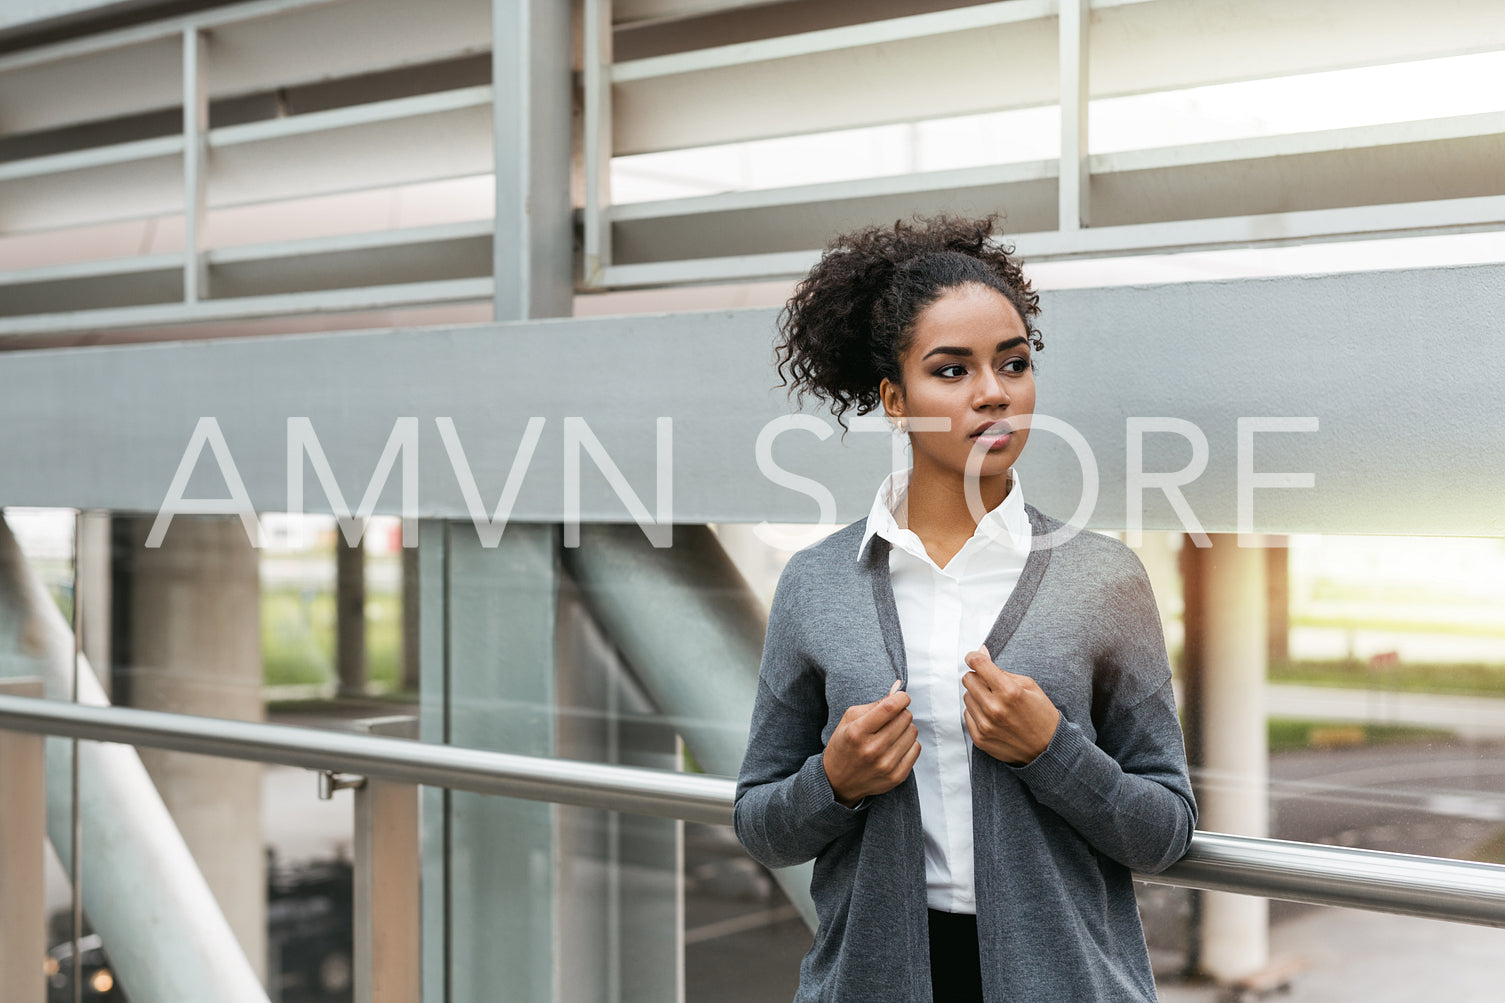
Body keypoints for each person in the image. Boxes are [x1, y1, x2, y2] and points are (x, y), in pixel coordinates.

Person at [734, 214, 1197, 1002]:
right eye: (951, 371)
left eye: (1012, 364)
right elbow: (762, 824)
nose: (992, 393)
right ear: (893, 397)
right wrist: (835, 780)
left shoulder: (1102, 576)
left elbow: (1164, 830)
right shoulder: (816, 583)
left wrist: (1053, 751)